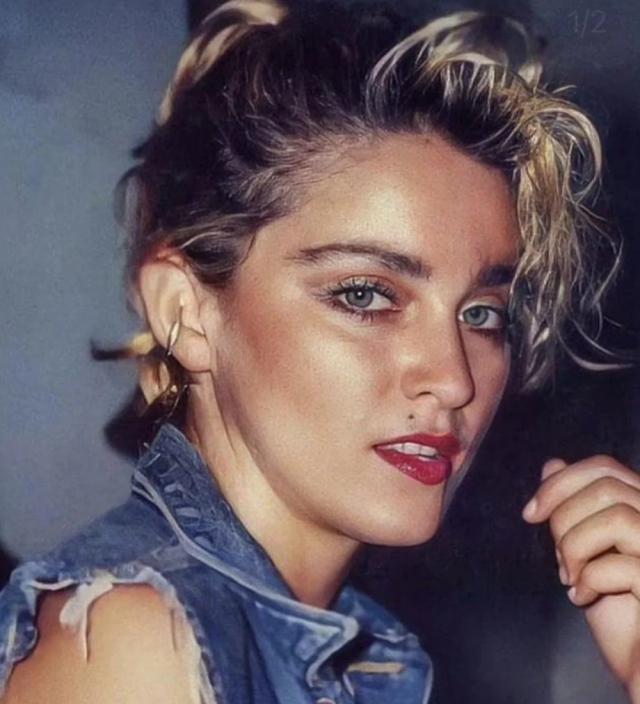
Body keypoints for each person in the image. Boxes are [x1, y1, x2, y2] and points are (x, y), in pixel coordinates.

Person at [0, 1, 639, 702]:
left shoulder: (352, 654)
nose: (454, 379)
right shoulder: (138, 643)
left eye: (482, 314)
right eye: (365, 294)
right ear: (186, 311)